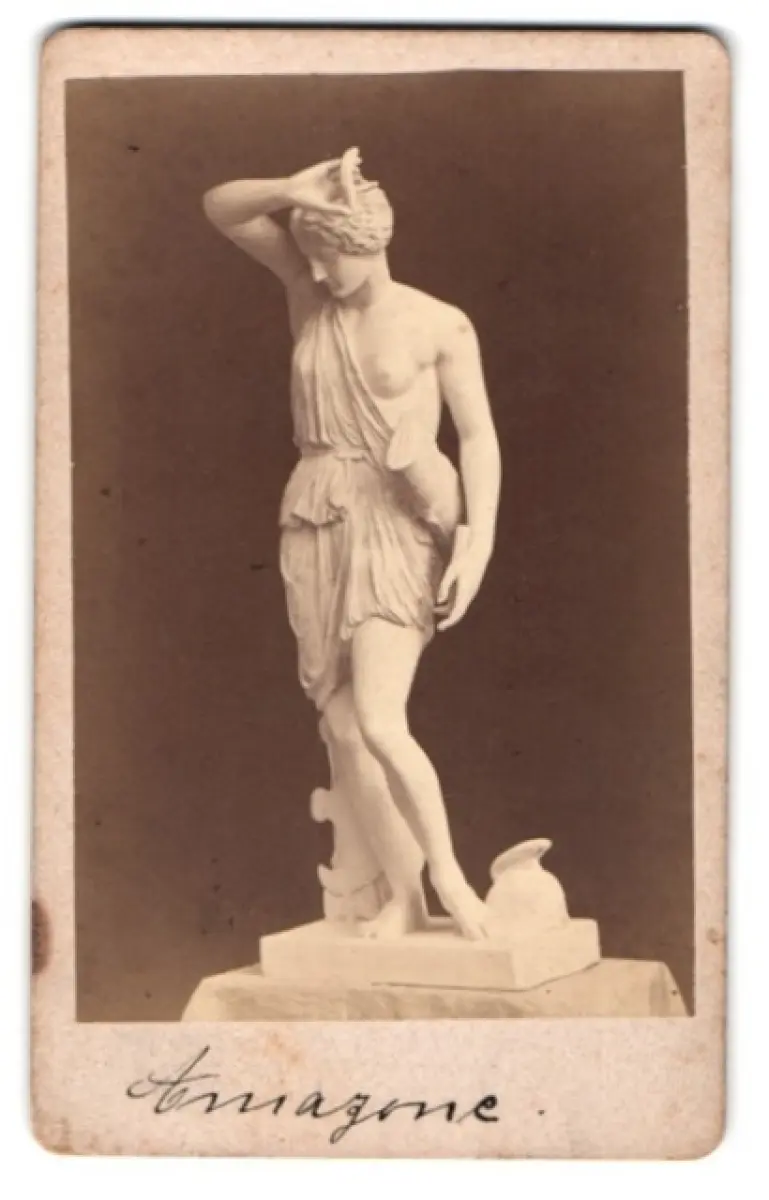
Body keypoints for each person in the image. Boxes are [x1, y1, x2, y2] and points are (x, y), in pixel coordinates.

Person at [203, 149, 502, 939]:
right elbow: (221, 207)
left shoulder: (438, 323)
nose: (316, 271)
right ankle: (404, 895)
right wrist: (287, 190)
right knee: (341, 730)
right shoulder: (310, 299)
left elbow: (477, 437)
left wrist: (475, 542)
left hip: (394, 521)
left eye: (328, 256)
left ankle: (451, 879)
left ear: (365, 243)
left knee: (376, 718)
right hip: (315, 517)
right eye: (308, 257)